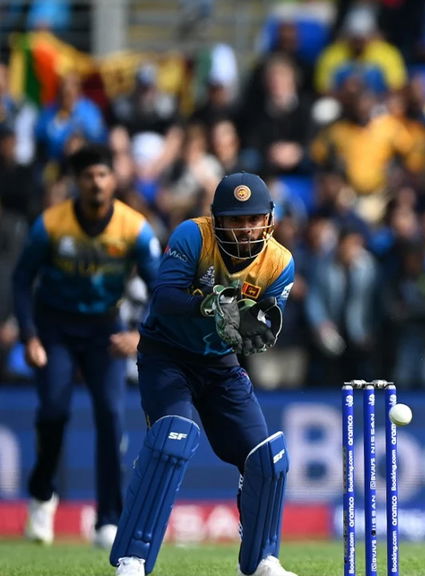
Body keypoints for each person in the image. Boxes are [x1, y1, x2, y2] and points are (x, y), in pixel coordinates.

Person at [109, 172, 297, 576]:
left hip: (220, 364)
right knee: (171, 439)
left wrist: (255, 333)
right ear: (217, 220)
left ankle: (264, 559)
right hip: (168, 354)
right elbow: (164, 297)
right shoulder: (193, 236)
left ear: (268, 219)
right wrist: (211, 304)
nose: (245, 229)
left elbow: (265, 322)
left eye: (253, 219)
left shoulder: (279, 262)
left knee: (267, 458)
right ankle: (133, 558)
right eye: (235, 219)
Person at [12, 144, 160, 549]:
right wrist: (30, 335)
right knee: (54, 412)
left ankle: (108, 520)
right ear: (77, 182)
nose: (96, 183)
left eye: (102, 175)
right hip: (55, 328)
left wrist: (140, 334)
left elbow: (161, 289)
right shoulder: (52, 225)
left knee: (111, 416)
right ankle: (43, 497)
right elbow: (21, 281)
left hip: (105, 331)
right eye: (88, 176)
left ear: (114, 179)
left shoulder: (133, 227)